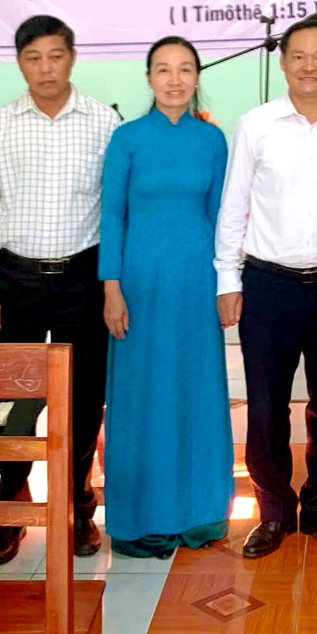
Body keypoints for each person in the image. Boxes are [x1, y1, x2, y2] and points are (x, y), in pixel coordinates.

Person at [214, 19, 317, 558]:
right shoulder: (256, 126)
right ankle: (273, 512)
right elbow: (234, 208)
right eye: (298, 56)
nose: (309, 66)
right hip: (268, 286)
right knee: (266, 407)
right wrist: (227, 279)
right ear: (284, 62)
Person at [0, 15, 119, 564]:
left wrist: (111, 286)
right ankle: (12, 502)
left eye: (56, 56)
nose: (46, 68)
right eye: (34, 58)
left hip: (83, 277)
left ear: (71, 57)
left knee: (83, 397)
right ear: (20, 63)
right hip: (16, 280)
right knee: (14, 401)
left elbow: (114, 211)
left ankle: (78, 503)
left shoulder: (104, 122)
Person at [99, 36, 233, 557]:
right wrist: (112, 288)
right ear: (149, 78)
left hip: (197, 283)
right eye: (163, 69)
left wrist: (228, 283)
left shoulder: (211, 140)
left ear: (197, 77)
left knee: (194, 390)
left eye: (184, 69)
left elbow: (221, 217)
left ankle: (199, 513)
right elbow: (112, 216)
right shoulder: (127, 139)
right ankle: (141, 520)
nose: (174, 80)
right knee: (141, 392)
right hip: (139, 284)